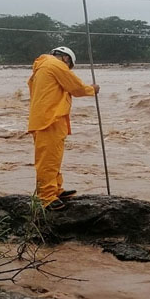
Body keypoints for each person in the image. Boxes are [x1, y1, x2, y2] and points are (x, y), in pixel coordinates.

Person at [27, 47, 99, 210]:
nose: (68, 68)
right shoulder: (55, 65)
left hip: (48, 119)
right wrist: (92, 89)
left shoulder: (43, 66)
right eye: (70, 65)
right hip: (49, 120)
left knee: (53, 157)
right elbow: (76, 87)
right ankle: (46, 197)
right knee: (48, 160)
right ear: (66, 58)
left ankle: (55, 189)